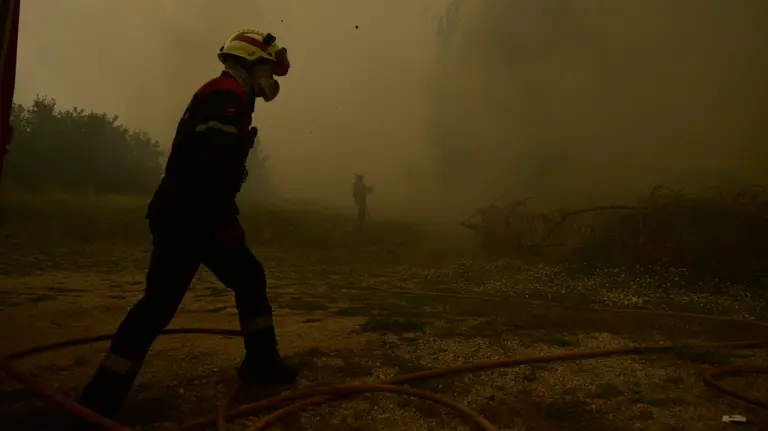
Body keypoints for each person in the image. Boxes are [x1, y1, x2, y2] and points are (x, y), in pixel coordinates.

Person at [74, 29, 297, 425]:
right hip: (188, 216)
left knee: (246, 278)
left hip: (193, 214)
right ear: (249, 62)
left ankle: (262, 364)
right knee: (159, 305)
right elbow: (209, 170)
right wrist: (223, 221)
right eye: (268, 67)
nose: (272, 79)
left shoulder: (231, 96)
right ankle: (100, 399)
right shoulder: (224, 98)